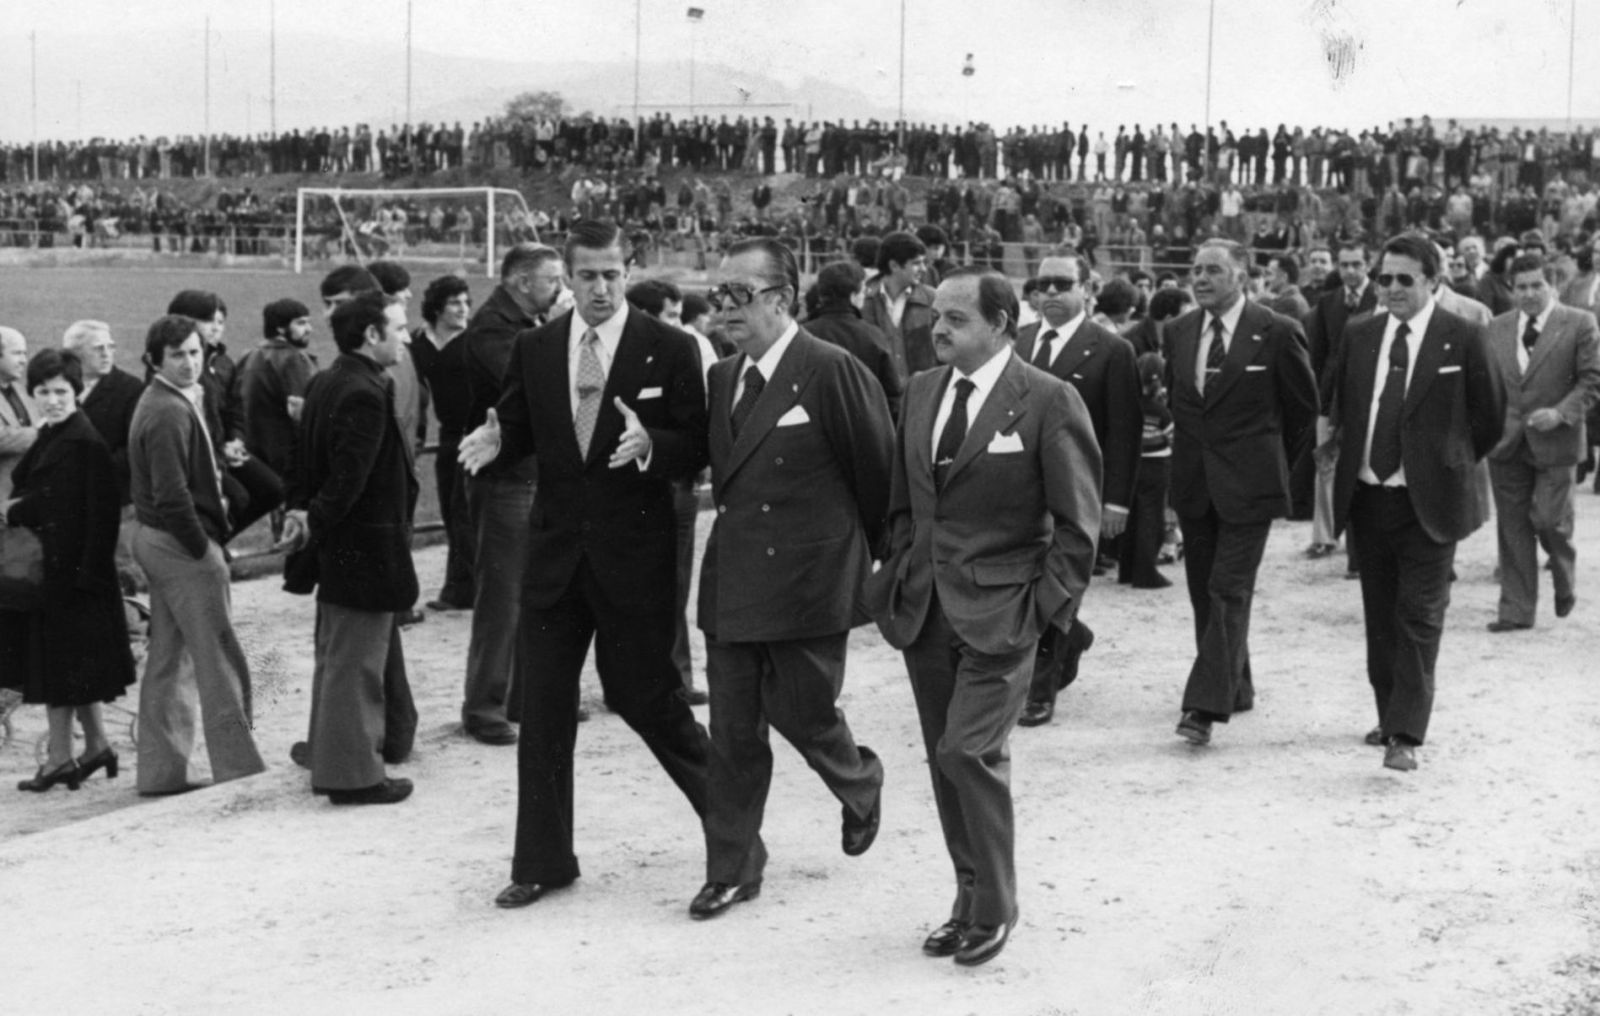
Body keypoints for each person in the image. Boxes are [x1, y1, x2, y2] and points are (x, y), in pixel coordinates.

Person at [458, 220, 712, 909]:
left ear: (629, 269)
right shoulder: (536, 348)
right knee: (542, 711)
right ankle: (542, 861)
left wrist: (652, 442)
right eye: (587, 275)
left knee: (646, 699)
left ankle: (732, 818)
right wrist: (495, 439)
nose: (601, 287)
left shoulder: (670, 347)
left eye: (612, 273)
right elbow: (516, 426)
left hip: (634, 558)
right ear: (566, 277)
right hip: (555, 559)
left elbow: (697, 442)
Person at [865, 267, 1101, 967]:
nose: (938, 329)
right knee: (946, 762)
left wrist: (1041, 614)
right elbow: (905, 501)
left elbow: (1078, 527)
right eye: (937, 315)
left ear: (1001, 324)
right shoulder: (921, 390)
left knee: (969, 751)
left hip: (1005, 612)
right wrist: (896, 570)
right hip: (925, 608)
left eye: (957, 318)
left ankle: (995, 906)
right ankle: (966, 897)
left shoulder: (1048, 400)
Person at [689, 238, 894, 920]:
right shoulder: (723, 378)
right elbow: (708, 463)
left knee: (804, 712)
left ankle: (860, 782)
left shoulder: (832, 370)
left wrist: (886, 566)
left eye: (737, 297)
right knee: (733, 735)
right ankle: (733, 867)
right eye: (719, 296)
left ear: (780, 299)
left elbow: (879, 475)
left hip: (810, 579)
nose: (723, 310)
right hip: (736, 577)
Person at [1330, 234, 1503, 771]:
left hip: (1431, 501)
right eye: (1385, 279)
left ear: (1433, 280)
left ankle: (1406, 733)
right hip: (1369, 497)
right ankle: (1389, 716)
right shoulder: (1359, 333)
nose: (1393, 288)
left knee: (1420, 615)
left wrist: (1446, 460)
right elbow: (1346, 403)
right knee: (1380, 617)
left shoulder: (1465, 335)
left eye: (1406, 279)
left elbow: (1490, 417)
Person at [1168, 239, 1318, 747]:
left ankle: (1203, 706)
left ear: (1241, 276)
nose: (1201, 278)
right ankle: (1237, 686)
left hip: (1251, 489)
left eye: (1213, 270)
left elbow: (1302, 412)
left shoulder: (1276, 331)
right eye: (1196, 270)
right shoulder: (1179, 332)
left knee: (1228, 589)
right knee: (1203, 593)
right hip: (1194, 484)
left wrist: (1270, 466)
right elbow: (1182, 407)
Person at [278, 293, 420, 805]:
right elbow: (348, 480)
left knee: (338, 658)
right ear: (371, 336)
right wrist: (312, 518)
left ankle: (332, 755)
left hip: (341, 546)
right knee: (355, 666)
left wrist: (303, 516)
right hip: (365, 547)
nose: (405, 338)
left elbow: (304, 463)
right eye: (398, 329)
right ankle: (353, 775)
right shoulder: (363, 390)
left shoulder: (326, 381)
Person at [128, 315, 266, 795]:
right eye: (177, 355)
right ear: (154, 361)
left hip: (159, 540)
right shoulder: (165, 409)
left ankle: (164, 773)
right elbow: (171, 495)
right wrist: (203, 549)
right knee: (218, 657)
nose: (190, 363)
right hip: (178, 543)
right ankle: (239, 766)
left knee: (169, 657)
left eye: (194, 352)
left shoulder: (171, 399)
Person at [1012, 254, 1140, 727]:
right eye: (1043, 284)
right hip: (1020, 492)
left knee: (1061, 587)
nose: (1050, 294)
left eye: (1062, 284)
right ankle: (1074, 636)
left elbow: (1124, 433)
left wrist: (1117, 500)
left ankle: (1039, 692)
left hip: (1078, 493)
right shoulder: (1018, 342)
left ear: (1088, 289)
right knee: (1022, 585)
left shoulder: (1110, 350)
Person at [1, 349, 137, 793]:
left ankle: (60, 760)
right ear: (33, 392)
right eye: (43, 391)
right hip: (62, 574)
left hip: (75, 578)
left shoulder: (81, 441)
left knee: (56, 671)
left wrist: (14, 511)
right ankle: (96, 746)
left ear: (76, 392)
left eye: (61, 391)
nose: (52, 399)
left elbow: (100, 516)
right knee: (74, 671)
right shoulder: (57, 433)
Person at [458, 243, 571, 744]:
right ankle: (484, 707)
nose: (561, 289)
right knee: (502, 596)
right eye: (553, 280)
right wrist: (563, 332)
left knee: (539, 592)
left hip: (534, 474)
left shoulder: (522, 323)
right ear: (523, 283)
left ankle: (525, 698)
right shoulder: (492, 327)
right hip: (505, 478)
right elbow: (535, 384)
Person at [1484, 252, 1600, 631]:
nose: (1529, 294)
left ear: (1552, 285)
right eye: (1521, 287)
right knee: (1513, 528)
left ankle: (1563, 573)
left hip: (1557, 441)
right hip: (1507, 443)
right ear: (1511, 290)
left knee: (1550, 521)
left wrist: (1561, 413)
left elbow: (1591, 380)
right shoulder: (1497, 327)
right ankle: (1516, 611)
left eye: (1537, 285)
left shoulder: (1580, 323)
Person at [627, 277, 711, 707]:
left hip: (675, 485)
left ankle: (675, 677)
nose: (681, 324)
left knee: (674, 585)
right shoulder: (618, 354)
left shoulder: (687, 349)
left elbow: (698, 424)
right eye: (671, 315)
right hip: (629, 488)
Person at [165, 290, 284, 540]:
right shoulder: (181, 364)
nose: (216, 328)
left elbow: (235, 407)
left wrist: (236, 439)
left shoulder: (224, 362)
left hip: (224, 447)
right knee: (238, 497)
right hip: (203, 452)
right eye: (209, 321)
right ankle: (209, 546)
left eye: (220, 322)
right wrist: (219, 451)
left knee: (272, 489)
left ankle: (218, 541)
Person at [1304, 242, 1378, 560]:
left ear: (1368, 264)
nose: (1350, 271)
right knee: (1324, 461)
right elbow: (1318, 354)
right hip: (1331, 395)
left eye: (1356, 264)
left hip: (1370, 392)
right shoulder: (1328, 303)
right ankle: (1324, 536)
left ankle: (1364, 541)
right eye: (1344, 264)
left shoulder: (1382, 297)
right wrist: (1319, 397)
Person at [409, 274, 475, 612]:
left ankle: (460, 590)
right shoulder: (418, 342)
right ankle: (465, 585)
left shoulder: (474, 340)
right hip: (449, 432)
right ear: (438, 307)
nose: (463, 309)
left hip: (475, 430)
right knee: (452, 511)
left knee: (464, 511)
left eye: (466, 302)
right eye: (455, 302)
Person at [801, 260, 903, 416]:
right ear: (853, 296)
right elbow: (892, 395)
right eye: (863, 291)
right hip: (862, 425)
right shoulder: (873, 336)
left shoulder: (800, 334)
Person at [236, 299, 317, 483]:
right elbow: (304, 414)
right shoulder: (293, 359)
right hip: (285, 459)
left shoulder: (249, 355)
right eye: (301, 323)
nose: (309, 329)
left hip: (253, 455)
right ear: (280, 328)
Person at [1119, 350, 1175, 588]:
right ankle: (1146, 572)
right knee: (1151, 520)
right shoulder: (1161, 411)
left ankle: (1127, 570)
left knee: (1130, 519)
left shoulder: (1127, 406)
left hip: (1130, 466)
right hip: (1155, 467)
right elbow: (1172, 440)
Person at [860, 231, 938, 388]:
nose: (923, 269)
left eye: (924, 263)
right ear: (894, 265)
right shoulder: (863, 300)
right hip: (878, 395)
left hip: (922, 393)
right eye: (916, 263)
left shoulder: (933, 300)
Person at [0, 326, 39, 502]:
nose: (24, 360)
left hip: (23, 498)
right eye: (17, 353)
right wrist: (42, 432)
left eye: (25, 354)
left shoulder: (22, 391)